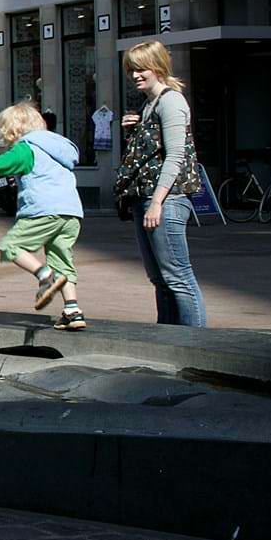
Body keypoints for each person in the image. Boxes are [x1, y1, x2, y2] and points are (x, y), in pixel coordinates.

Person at [0, 103, 87, 329]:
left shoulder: (27, 147)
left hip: (43, 210)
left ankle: (44, 274)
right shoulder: (58, 146)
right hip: (71, 213)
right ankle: (72, 310)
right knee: (62, 259)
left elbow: (6, 162)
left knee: (11, 247)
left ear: (14, 129)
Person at [116, 40, 206, 326]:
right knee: (160, 279)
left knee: (178, 277)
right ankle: (167, 338)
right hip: (146, 199)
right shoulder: (149, 104)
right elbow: (152, 153)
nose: (135, 75)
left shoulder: (171, 101)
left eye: (141, 69)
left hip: (168, 200)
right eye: (131, 70)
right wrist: (134, 130)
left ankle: (197, 341)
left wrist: (156, 202)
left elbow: (176, 156)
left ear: (158, 67)